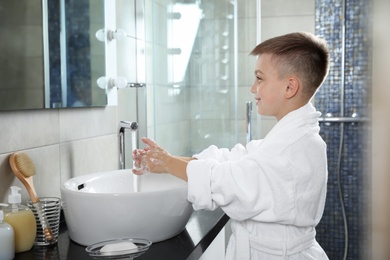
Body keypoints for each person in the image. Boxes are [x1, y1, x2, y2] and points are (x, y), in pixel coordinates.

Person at [133, 32, 330, 259]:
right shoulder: (295, 137)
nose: (252, 88)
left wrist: (167, 163)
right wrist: (167, 159)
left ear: (289, 87)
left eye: (259, 78)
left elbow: (227, 178)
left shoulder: (289, 150)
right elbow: (236, 159)